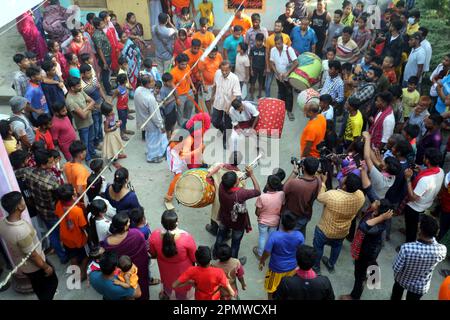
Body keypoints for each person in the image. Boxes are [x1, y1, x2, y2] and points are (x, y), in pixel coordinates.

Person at [0, 191, 58, 300]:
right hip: (35, 266)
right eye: (22, 200)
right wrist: (46, 267)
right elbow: (33, 255)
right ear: (18, 206)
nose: (24, 202)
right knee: (51, 285)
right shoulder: (21, 231)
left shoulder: (3, 223)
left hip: (25, 266)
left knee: (38, 286)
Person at [340, 200, 395, 300]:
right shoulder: (374, 213)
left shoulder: (379, 225)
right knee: (372, 261)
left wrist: (381, 218)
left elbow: (363, 227)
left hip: (368, 251)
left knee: (359, 274)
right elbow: (370, 190)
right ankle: (374, 279)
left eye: (376, 203)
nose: (374, 201)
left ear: (379, 211)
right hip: (373, 249)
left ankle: (354, 296)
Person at [313, 173, 365, 273]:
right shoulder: (360, 196)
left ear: (345, 186)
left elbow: (319, 197)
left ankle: (316, 268)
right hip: (343, 230)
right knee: (336, 247)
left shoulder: (333, 195)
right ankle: (330, 264)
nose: (342, 178)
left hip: (325, 229)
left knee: (318, 247)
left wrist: (323, 183)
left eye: (344, 178)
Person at [391, 214, 447, 300]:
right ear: (436, 232)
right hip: (420, 287)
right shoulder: (442, 250)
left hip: (402, 280)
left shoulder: (406, 248)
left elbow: (396, 268)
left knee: (396, 296)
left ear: (420, 230)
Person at [213, 166, 261, 265]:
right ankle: (233, 262)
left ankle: (215, 253)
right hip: (238, 223)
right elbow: (257, 191)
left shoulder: (222, 185)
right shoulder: (241, 193)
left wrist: (244, 176)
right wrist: (251, 175)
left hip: (224, 217)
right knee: (235, 244)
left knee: (220, 235)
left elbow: (233, 183)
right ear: (235, 183)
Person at [27, 149, 67, 264]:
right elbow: (60, 195)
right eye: (50, 163)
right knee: (61, 233)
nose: (53, 164)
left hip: (41, 210)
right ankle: (66, 254)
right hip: (53, 211)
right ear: (43, 164)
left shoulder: (29, 172)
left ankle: (62, 256)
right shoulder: (51, 181)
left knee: (52, 234)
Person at [101, 211, 153, 300]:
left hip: (121, 273)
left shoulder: (107, 243)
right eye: (128, 222)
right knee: (141, 287)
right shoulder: (136, 234)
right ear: (125, 226)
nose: (130, 223)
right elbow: (143, 251)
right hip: (139, 267)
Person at [149, 210, 197, 300]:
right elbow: (194, 258)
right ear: (177, 223)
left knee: (167, 282)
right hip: (182, 269)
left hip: (164, 268)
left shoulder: (155, 235)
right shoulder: (186, 238)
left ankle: (167, 294)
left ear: (161, 223)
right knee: (181, 288)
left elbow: (153, 253)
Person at [259, 212, 305, 299]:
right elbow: (301, 251)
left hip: (276, 269)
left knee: (271, 288)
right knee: (288, 287)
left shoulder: (275, 236)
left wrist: (262, 261)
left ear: (281, 223)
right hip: (292, 268)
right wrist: (299, 265)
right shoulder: (299, 236)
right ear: (294, 224)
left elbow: (267, 252)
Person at [403, 148, 445, 243]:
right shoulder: (440, 171)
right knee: (414, 226)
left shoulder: (425, 180)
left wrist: (408, 179)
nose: (423, 158)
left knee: (411, 230)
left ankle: (408, 246)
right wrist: (421, 170)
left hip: (414, 208)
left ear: (427, 160)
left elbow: (413, 197)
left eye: (425, 157)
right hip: (426, 204)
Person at [205, 151, 246, 236]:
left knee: (215, 213)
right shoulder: (240, 175)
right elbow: (241, 189)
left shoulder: (218, 166)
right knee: (227, 218)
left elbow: (208, 174)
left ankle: (213, 229)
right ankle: (226, 233)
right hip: (230, 202)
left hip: (217, 198)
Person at [55, 184, 89, 281]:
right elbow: (83, 226)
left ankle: (75, 274)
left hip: (65, 237)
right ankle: (82, 273)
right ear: (72, 196)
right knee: (85, 255)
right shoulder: (77, 211)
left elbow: (58, 214)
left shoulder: (58, 204)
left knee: (72, 256)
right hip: (78, 239)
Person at [283, 157, 321, 236]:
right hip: (306, 214)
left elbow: (284, 189)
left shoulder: (295, 183)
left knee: (288, 234)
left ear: (303, 167)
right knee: (301, 232)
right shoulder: (318, 181)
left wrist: (294, 172)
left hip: (293, 216)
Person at [134, 75, 168, 163]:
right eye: (152, 81)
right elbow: (155, 115)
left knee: (149, 136)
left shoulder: (138, 90)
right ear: (148, 84)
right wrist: (161, 125)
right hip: (151, 122)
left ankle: (155, 152)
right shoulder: (150, 98)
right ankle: (152, 157)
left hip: (143, 119)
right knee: (154, 138)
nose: (154, 82)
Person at [65, 76, 99, 162]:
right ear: (72, 88)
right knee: (85, 144)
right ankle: (88, 159)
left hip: (90, 120)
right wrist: (90, 108)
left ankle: (92, 153)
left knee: (91, 139)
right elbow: (83, 116)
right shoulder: (70, 101)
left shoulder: (80, 91)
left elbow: (92, 101)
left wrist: (85, 109)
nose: (80, 87)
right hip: (82, 126)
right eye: (78, 86)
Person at [211, 61, 242, 149]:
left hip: (229, 104)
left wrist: (228, 107)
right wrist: (212, 96)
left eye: (226, 71)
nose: (224, 73)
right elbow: (215, 86)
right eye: (222, 70)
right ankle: (224, 131)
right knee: (215, 122)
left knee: (228, 125)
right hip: (218, 102)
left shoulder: (235, 78)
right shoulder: (217, 73)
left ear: (230, 69)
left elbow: (235, 94)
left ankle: (225, 140)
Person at [254, 175, 285, 258]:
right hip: (275, 221)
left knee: (262, 236)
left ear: (267, 185)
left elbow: (257, 212)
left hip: (263, 221)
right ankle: (269, 251)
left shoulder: (262, 197)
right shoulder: (281, 194)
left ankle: (260, 253)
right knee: (271, 237)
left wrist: (259, 215)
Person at [270, 35, 298, 121]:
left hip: (288, 77)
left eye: (279, 43)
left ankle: (289, 111)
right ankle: (281, 109)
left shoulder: (289, 50)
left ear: (283, 42)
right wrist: (277, 73)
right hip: (278, 76)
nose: (278, 45)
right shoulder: (273, 50)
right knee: (281, 92)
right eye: (276, 44)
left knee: (289, 93)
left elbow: (296, 63)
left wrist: (287, 73)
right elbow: (271, 63)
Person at [80, 63, 106, 149]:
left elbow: (99, 89)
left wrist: (105, 99)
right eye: (88, 73)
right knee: (95, 126)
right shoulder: (81, 85)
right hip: (93, 108)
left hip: (100, 105)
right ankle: (96, 143)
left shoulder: (94, 78)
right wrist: (94, 106)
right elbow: (84, 100)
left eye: (90, 72)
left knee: (100, 122)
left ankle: (101, 139)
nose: (90, 74)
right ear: (82, 74)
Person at [265, 20, 292, 98]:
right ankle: (267, 98)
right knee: (268, 83)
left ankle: (279, 100)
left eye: (278, 26)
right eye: (275, 25)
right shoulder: (269, 38)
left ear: (282, 28)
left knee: (281, 84)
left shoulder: (286, 37)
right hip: (271, 65)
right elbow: (267, 53)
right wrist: (267, 67)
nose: (276, 27)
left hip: (282, 66)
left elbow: (289, 51)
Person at [170, 53, 196, 125]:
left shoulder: (187, 66)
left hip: (188, 92)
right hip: (180, 95)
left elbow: (188, 77)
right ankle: (181, 124)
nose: (184, 66)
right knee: (180, 110)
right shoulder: (173, 72)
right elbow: (172, 86)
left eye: (185, 64)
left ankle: (187, 120)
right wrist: (177, 98)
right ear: (177, 63)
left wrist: (193, 87)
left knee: (189, 106)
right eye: (182, 64)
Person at [92, 17, 113, 95]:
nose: (104, 24)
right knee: (105, 74)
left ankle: (108, 87)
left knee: (107, 73)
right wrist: (104, 62)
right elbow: (99, 49)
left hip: (107, 55)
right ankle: (108, 91)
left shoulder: (101, 31)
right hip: (104, 57)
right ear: (97, 26)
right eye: (102, 24)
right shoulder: (97, 35)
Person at [198, 47, 222, 113]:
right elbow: (200, 73)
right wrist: (203, 85)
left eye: (215, 54)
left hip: (217, 82)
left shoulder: (219, 56)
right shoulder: (203, 59)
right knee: (207, 98)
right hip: (207, 84)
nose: (214, 56)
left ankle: (216, 111)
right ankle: (210, 112)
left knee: (216, 97)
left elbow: (221, 67)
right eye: (212, 54)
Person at [248, 33, 266, 101]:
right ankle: (251, 95)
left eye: (260, 41)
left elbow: (266, 59)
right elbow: (251, 59)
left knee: (261, 82)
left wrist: (265, 69)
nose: (259, 42)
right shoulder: (253, 49)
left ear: (263, 41)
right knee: (253, 82)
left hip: (262, 68)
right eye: (258, 41)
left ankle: (260, 94)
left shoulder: (265, 49)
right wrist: (251, 69)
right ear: (255, 40)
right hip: (254, 68)